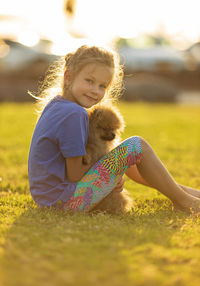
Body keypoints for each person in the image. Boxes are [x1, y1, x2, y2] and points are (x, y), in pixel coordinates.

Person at [28, 45, 200, 213]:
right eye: (89, 81)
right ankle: (184, 202)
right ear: (68, 76)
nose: (95, 90)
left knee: (123, 155)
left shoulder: (57, 104)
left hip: (49, 200)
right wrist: (111, 176)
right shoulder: (74, 113)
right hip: (65, 202)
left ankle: (185, 193)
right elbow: (74, 174)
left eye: (102, 86)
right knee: (136, 146)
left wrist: (111, 169)